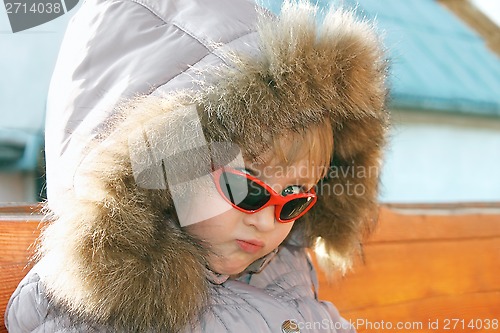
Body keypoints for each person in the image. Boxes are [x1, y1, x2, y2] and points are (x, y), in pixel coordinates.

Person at [5, 1, 389, 332]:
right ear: (167, 168)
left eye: (293, 200)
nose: (268, 221)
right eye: (248, 189)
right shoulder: (95, 310)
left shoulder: (284, 265)